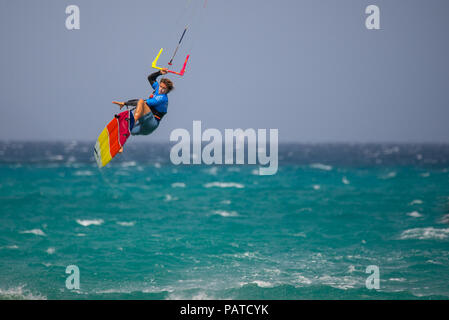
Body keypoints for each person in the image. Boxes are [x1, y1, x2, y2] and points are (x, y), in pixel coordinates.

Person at [112, 68, 174, 153]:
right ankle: (119, 144)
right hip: (143, 125)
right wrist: (159, 72)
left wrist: (125, 103)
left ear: (167, 90)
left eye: (164, 88)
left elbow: (142, 102)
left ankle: (132, 122)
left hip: (151, 123)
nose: (161, 89)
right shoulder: (157, 88)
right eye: (161, 86)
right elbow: (151, 78)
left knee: (141, 102)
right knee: (128, 129)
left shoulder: (162, 98)